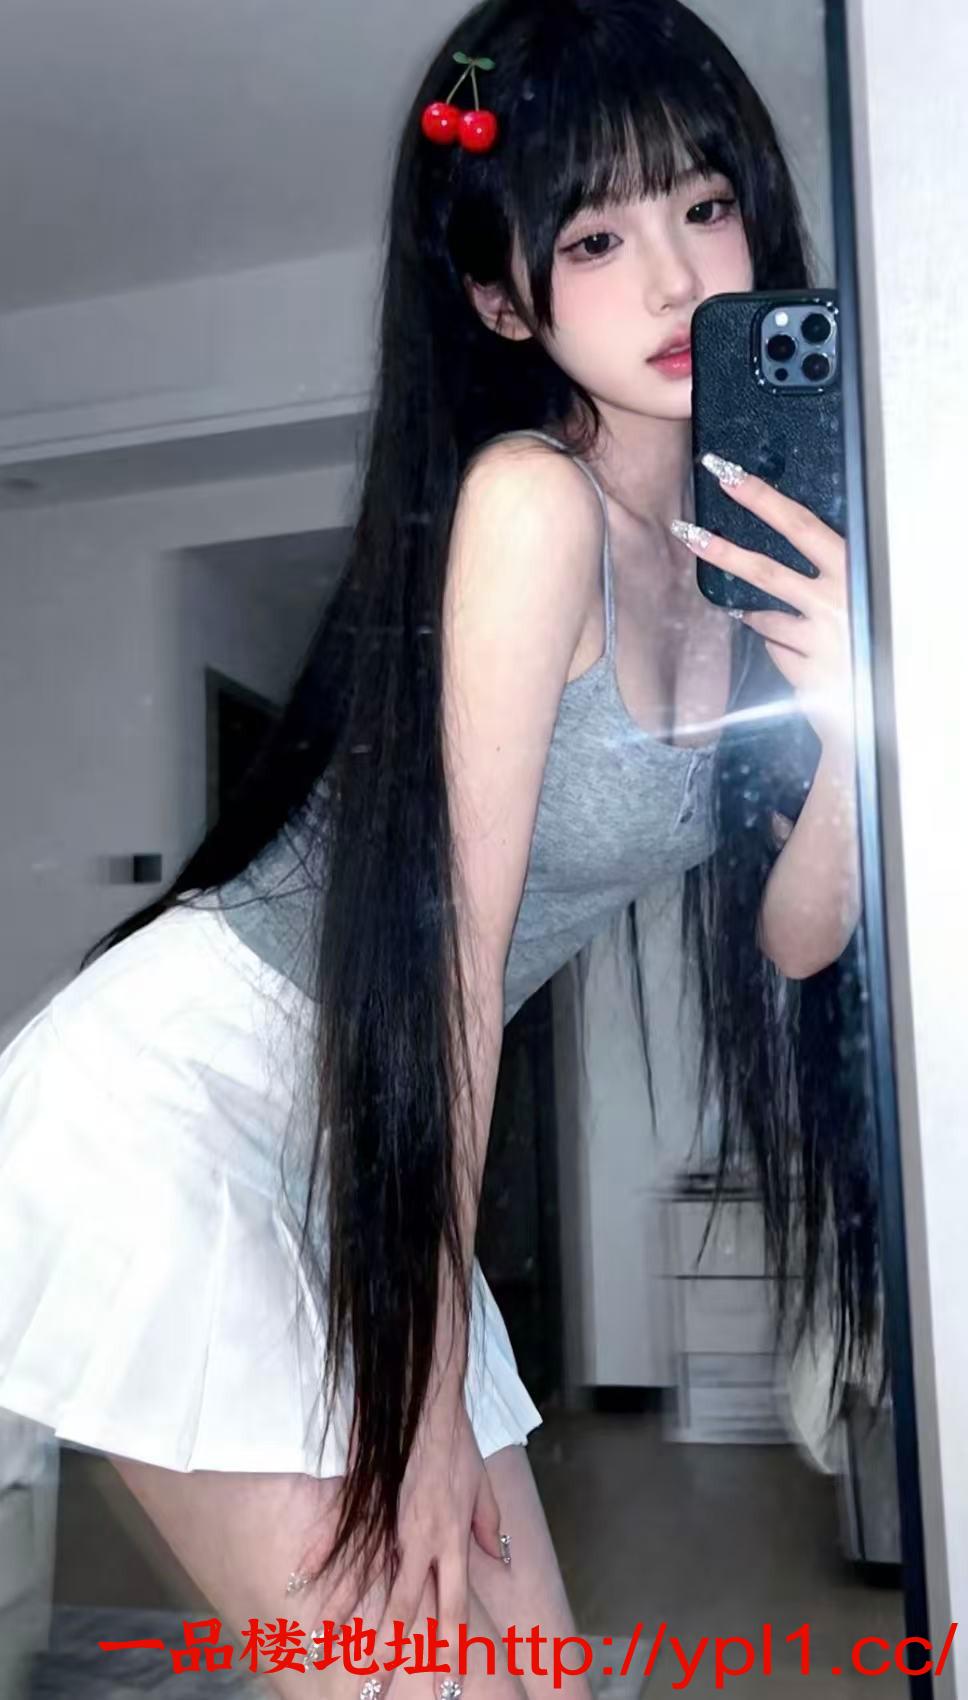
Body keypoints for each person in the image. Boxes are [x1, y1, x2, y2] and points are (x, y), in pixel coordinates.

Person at [0, 2, 878, 1695]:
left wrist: (846, 713)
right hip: (186, 1106)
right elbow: (451, 970)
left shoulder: (753, 560)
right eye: (595, 237)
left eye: (704, 206)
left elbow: (796, 938)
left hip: (370, 1156)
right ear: (503, 300)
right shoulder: (532, 507)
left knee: (530, 1675)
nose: (674, 280)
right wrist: (411, 1417)